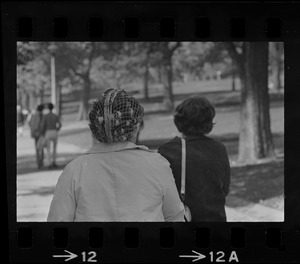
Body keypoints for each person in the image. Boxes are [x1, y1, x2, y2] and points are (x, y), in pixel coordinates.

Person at [47, 89, 184, 222]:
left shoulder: (75, 170)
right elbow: (174, 216)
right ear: (136, 126)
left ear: (94, 128)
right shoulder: (157, 164)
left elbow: (58, 222)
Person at [158, 96, 231, 222]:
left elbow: (160, 195)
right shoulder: (219, 149)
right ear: (208, 122)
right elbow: (225, 189)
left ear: (179, 121)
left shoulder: (167, 151)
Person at [41, 103, 62, 168]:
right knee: (54, 148)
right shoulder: (55, 116)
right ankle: (54, 162)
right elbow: (60, 125)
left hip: (48, 131)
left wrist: (43, 132)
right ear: (52, 108)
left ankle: (49, 163)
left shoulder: (46, 116)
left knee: (48, 148)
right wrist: (57, 129)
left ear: (48, 108)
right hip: (54, 131)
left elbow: (43, 125)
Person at [29, 104, 45, 169]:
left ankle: (39, 162)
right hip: (41, 134)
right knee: (42, 148)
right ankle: (41, 161)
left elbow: (30, 123)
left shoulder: (33, 116)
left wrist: (32, 132)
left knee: (37, 148)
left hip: (36, 134)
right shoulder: (43, 116)